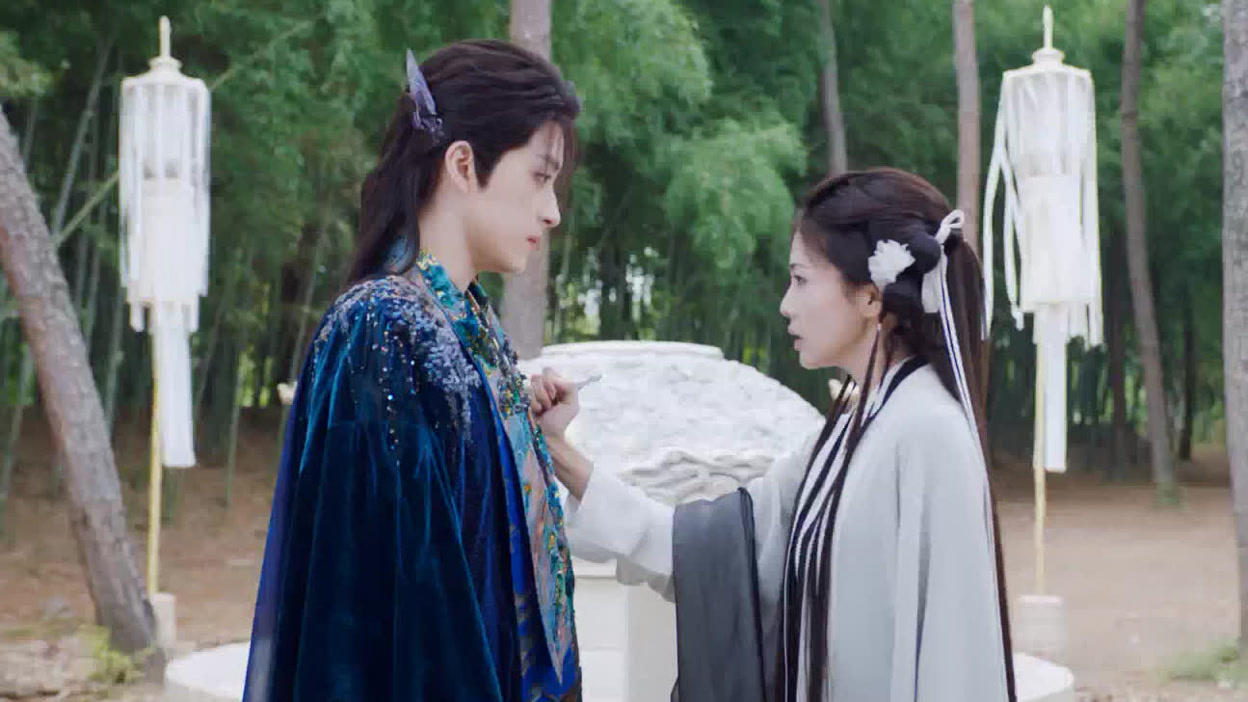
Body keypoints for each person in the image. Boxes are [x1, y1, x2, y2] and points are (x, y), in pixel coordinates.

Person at [532, 168, 1017, 702]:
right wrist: (559, 451)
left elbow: (956, 662)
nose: (786, 304)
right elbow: (707, 554)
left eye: (801, 280)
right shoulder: (849, 429)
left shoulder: (929, 433)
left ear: (871, 296)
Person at [242, 40, 582, 702]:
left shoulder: (470, 323)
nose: (552, 211)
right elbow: (361, 613)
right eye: (540, 177)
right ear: (463, 164)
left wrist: (542, 443)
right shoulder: (381, 328)